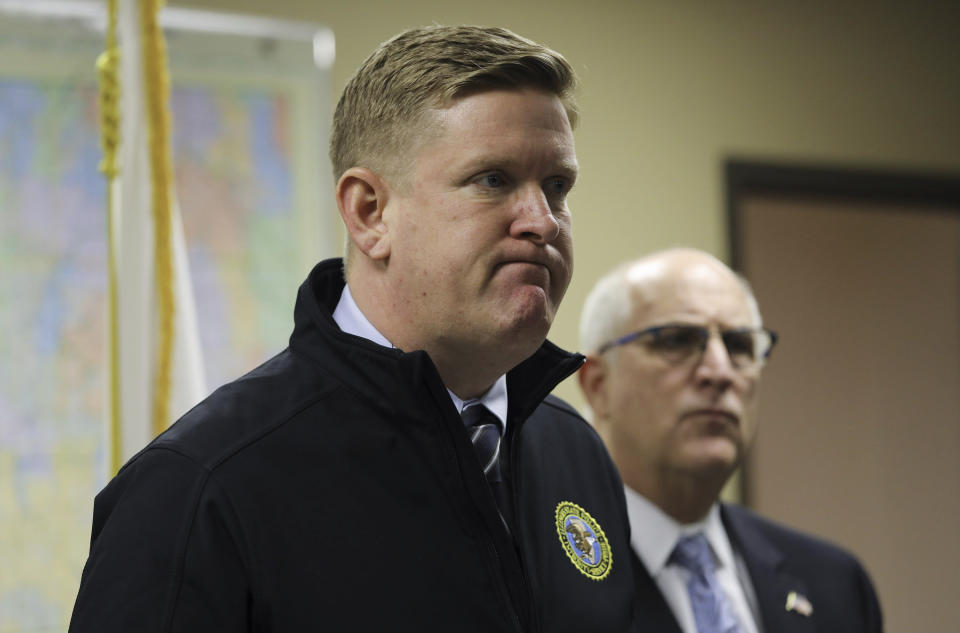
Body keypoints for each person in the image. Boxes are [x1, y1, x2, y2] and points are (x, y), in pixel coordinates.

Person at [69, 25, 637, 633]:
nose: (542, 222)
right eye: (493, 180)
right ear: (369, 213)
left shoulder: (575, 452)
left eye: (557, 186)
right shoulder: (204, 484)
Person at [577, 248, 883, 633]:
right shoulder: (542, 577)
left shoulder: (835, 584)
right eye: (677, 341)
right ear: (597, 385)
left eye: (739, 346)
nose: (720, 372)